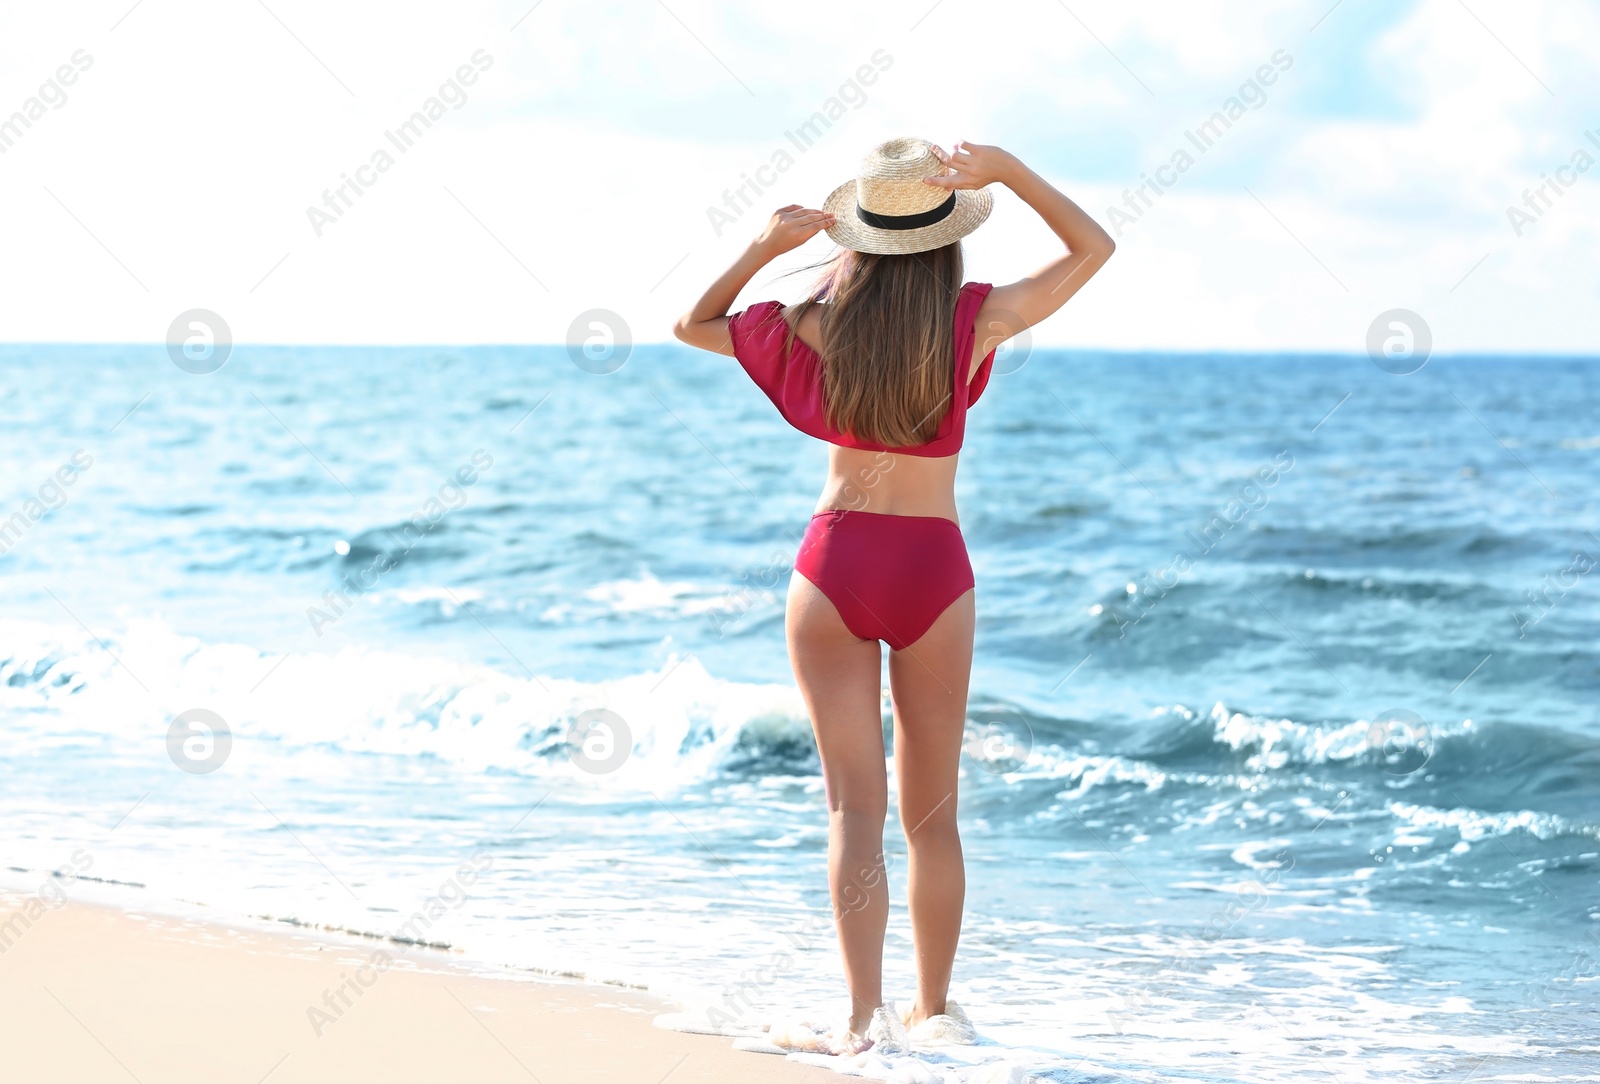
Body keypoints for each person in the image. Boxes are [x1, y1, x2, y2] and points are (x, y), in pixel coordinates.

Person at [674, 137, 1115, 1055]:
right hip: (932, 571)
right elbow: (1093, 250)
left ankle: (862, 1022)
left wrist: (761, 246)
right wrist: (1016, 174)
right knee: (933, 817)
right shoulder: (974, 320)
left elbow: (693, 324)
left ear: (861, 238)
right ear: (945, 240)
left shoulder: (806, 323)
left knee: (852, 813)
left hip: (834, 566)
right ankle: (936, 1016)